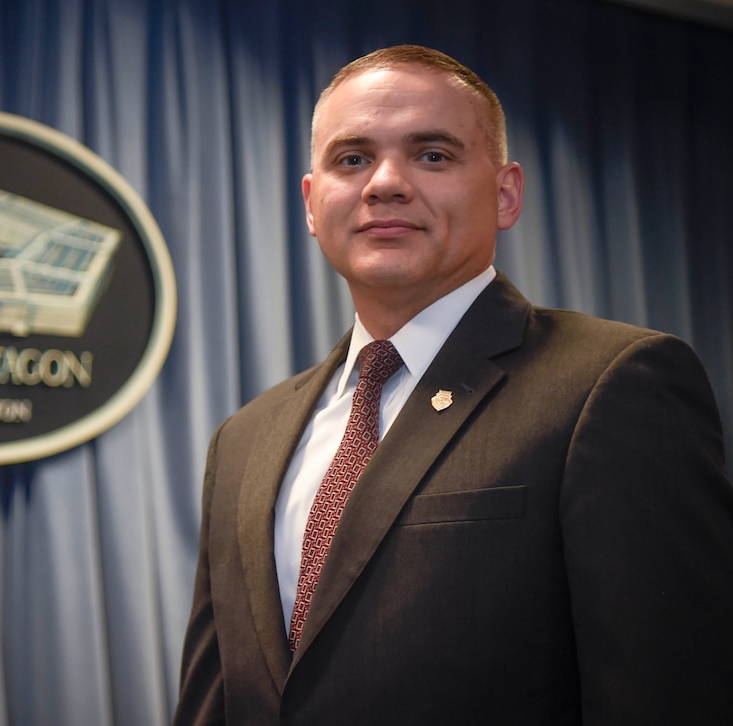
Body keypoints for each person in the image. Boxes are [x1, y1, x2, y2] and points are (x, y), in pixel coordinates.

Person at [174, 44, 733, 724]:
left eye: (432, 155)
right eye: (352, 159)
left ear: (505, 194)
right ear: (313, 204)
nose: (385, 183)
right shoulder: (243, 440)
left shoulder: (613, 384)